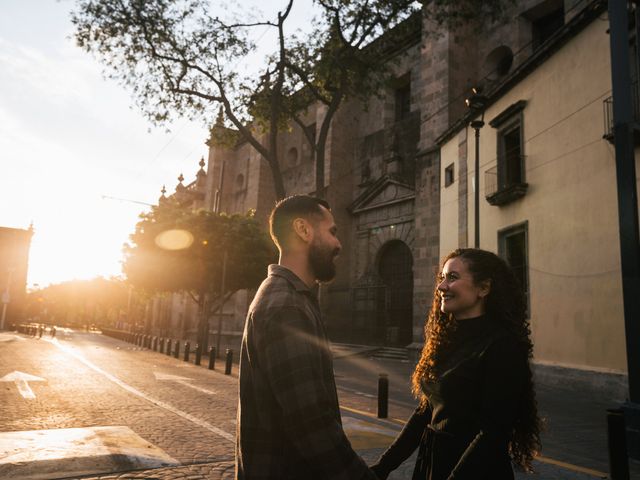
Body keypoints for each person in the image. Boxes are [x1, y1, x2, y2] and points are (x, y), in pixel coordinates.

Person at [236, 195, 378, 480]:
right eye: (332, 232)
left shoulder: (285, 296)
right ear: (303, 230)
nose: (339, 244)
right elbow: (311, 426)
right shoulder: (287, 307)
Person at [370, 248, 542, 480]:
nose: (441, 287)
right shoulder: (445, 341)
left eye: (452, 277)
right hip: (433, 466)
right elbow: (427, 413)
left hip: (474, 471)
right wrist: (381, 468)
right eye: (442, 278)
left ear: (483, 288)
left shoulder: (502, 346)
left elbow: (492, 434)